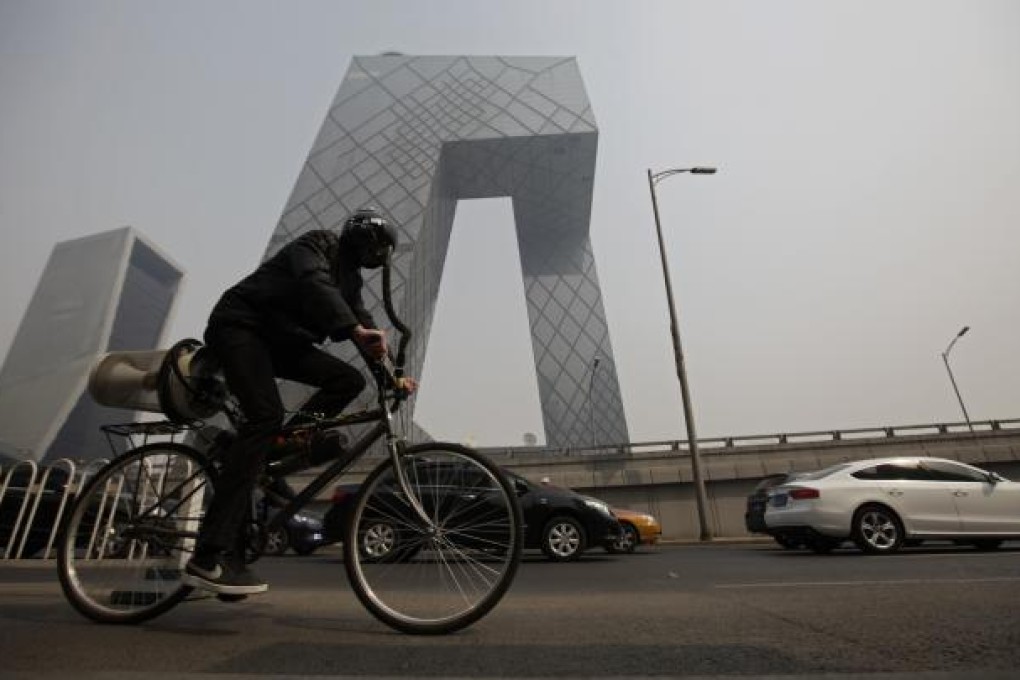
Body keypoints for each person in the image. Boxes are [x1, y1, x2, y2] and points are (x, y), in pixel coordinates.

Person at [182, 207, 415, 597]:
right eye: (380, 246)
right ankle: (206, 557)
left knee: (347, 379)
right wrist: (354, 329)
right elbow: (313, 283)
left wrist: (392, 377)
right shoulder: (317, 244)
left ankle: (284, 442)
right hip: (241, 325)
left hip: (280, 342)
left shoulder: (351, 282)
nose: (380, 256)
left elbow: (365, 329)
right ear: (364, 236)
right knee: (264, 415)